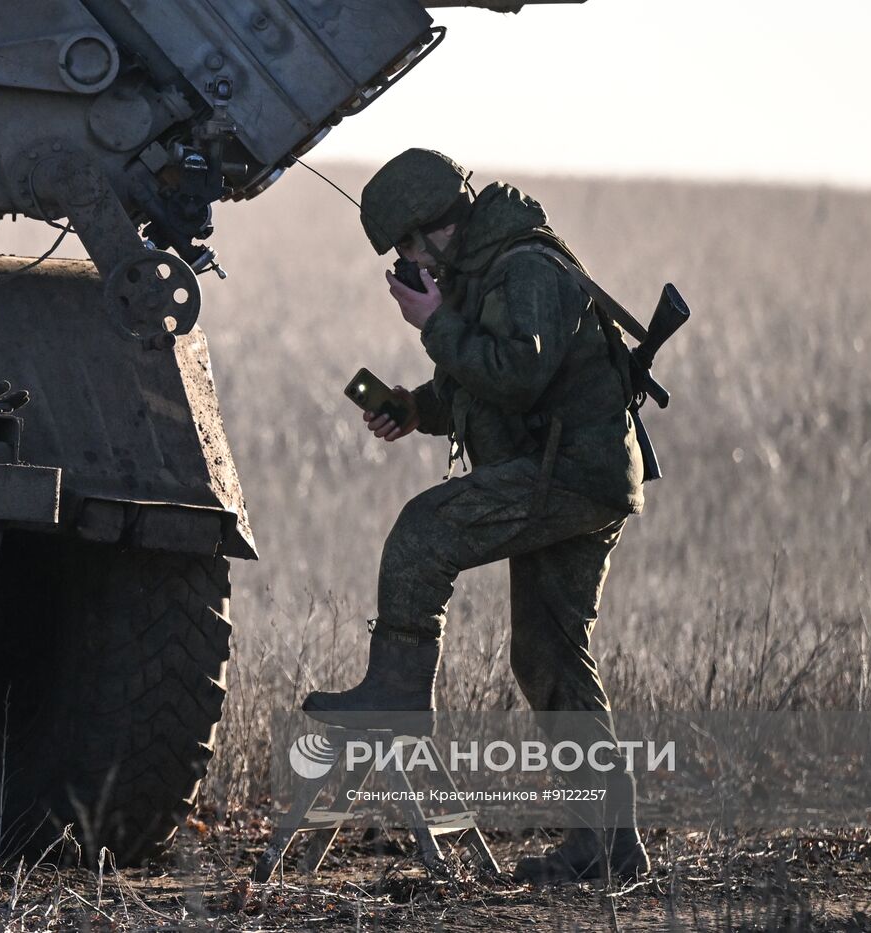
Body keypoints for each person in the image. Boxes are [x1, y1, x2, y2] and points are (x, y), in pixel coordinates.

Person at [300, 149, 650, 882]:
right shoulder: (485, 271)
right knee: (547, 655)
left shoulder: (525, 268)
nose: (409, 261)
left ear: (439, 227)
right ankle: (610, 847)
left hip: (571, 475)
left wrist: (433, 323)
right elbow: (480, 384)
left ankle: (396, 694)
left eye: (409, 244)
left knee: (423, 532)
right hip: (571, 472)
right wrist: (414, 408)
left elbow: (517, 377)